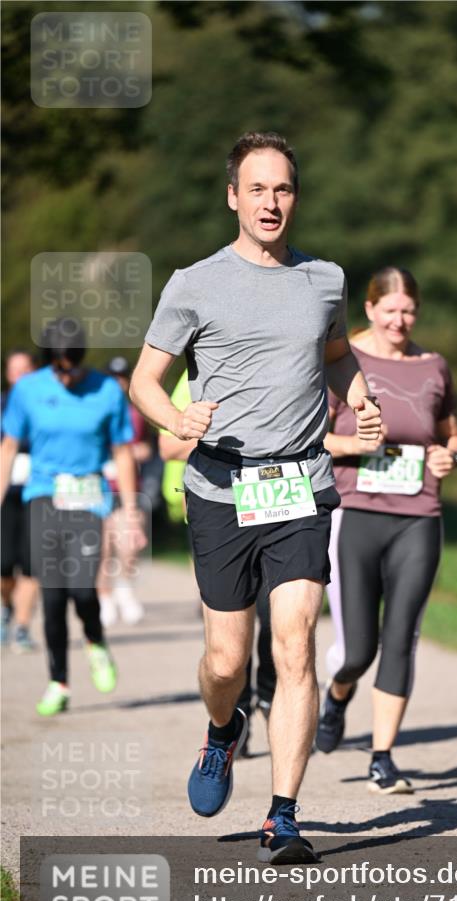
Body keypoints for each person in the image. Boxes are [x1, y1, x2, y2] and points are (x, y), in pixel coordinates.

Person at [130, 131, 381, 862]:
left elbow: (337, 356)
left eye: (284, 189)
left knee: (296, 641)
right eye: (258, 189)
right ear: (233, 197)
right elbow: (145, 381)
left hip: (300, 483)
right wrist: (175, 418)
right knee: (225, 662)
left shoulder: (325, 280)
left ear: (295, 198)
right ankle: (221, 731)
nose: (272, 202)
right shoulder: (194, 284)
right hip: (219, 488)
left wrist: (359, 399)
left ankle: (283, 815)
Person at [316, 267, 457, 793]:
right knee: (358, 651)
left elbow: (450, 433)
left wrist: (450, 456)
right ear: (370, 310)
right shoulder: (343, 360)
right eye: (390, 310)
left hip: (419, 516)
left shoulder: (434, 366)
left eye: (409, 312)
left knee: (401, 637)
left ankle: (382, 757)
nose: (400, 321)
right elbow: (312, 435)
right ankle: (337, 694)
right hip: (354, 513)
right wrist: (355, 445)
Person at [0, 320, 145, 716]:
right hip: (43, 495)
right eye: (58, 369)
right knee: (52, 595)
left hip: (87, 498)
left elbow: (122, 452)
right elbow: (9, 446)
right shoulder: (28, 390)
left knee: (82, 590)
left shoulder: (106, 391)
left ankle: (96, 641)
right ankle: (58, 682)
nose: (66, 377)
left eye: (72, 368)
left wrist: (131, 511)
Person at [158, 369, 277, 755]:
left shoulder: (278, 364)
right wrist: (231, 445)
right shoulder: (198, 373)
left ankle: (271, 698)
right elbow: (168, 447)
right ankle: (238, 717)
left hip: (275, 505)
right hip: (219, 511)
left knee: (276, 619)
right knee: (234, 631)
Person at [98, 356, 153, 627]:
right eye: (113, 377)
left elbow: (148, 447)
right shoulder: (95, 410)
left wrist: (139, 452)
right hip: (99, 488)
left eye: (122, 378)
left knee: (128, 544)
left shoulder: (137, 412)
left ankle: (123, 588)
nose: (118, 383)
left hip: (128, 488)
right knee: (102, 547)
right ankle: (104, 597)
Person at [1, 348, 40, 652]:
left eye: (25, 370)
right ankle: (5, 607)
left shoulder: (47, 404)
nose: (20, 376)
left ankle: (23, 627)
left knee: (32, 564)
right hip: (7, 495)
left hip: (38, 493)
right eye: (15, 371)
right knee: (4, 565)